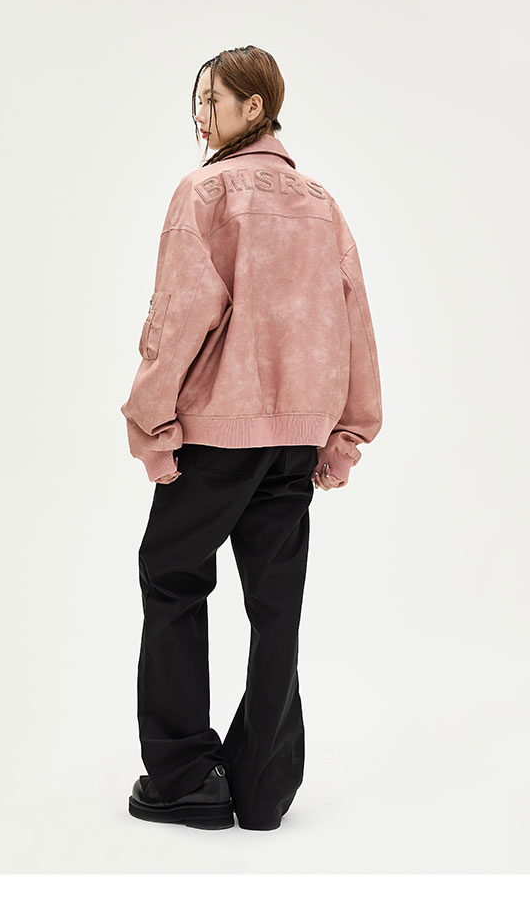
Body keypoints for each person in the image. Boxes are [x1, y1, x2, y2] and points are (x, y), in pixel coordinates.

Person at [121, 45, 383, 831]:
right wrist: (344, 435)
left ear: (254, 108)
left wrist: (149, 420)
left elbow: (178, 317)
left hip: (215, 436)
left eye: (212, 100)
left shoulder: (204, 192)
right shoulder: (321, 203)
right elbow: (354, 322)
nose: (201, 117)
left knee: (172, 578)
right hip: (295, 441)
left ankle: (182, 777)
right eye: (198, 102)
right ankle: (264, 788)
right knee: (275, 608)